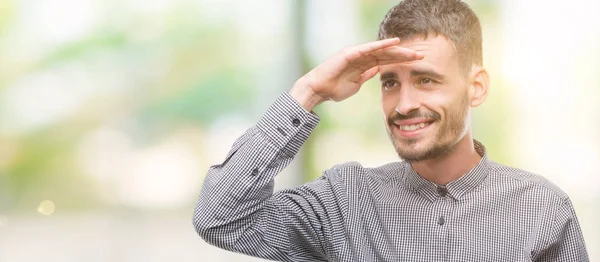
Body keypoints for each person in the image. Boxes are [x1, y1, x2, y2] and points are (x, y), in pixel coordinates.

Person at [193, 0, 589, 261]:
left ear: (477, 87)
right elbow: (221, 219)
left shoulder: (541, 209)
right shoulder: (344, 201)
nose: (402, 105)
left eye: (427, 80)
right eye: (389, 83)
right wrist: (308, 92)